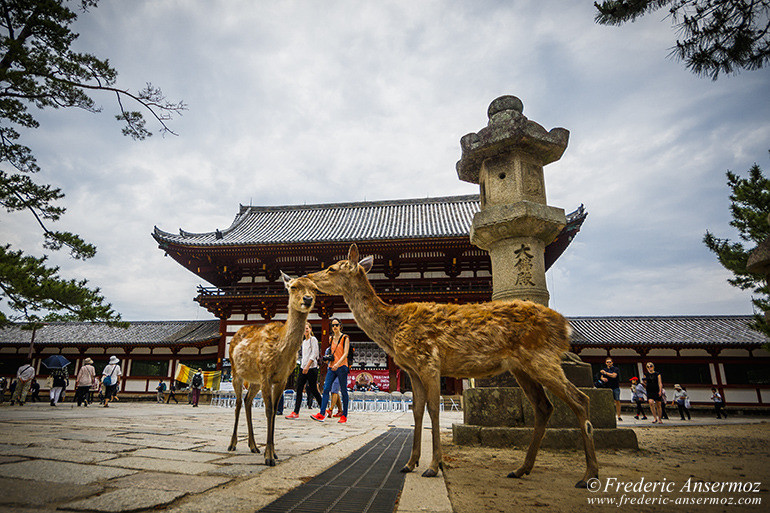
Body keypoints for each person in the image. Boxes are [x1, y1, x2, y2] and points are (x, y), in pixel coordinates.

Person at [311, 318, 350, 423]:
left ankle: (344, 415)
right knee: (326, 388)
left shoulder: (345, 337)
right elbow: (331, 352)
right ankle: (322, 413)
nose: (334, 327)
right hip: (331, 367)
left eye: (336, 325)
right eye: (332, 326)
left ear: (340, 326)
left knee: (343, 390)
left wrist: (338, 364)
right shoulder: (331, 338)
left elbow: (345, 353)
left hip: (342, 366)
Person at [286, 323, 323, 419]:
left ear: (310, 329)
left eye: (307, 328)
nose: (305, 330)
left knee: (314, 389)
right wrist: (302, 366)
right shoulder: (304, 342)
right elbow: (304, 356)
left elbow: (314, 353)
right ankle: (296, 412)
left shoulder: (313, 340)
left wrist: (307, 366)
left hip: (311, 368)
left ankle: (323, 409)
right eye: (304, 329)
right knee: (299, 388)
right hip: (303, 367)